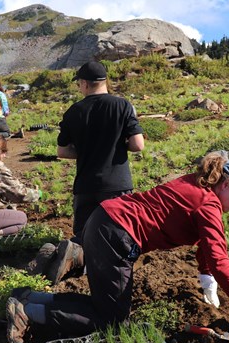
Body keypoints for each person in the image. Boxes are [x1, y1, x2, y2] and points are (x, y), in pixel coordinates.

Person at [5, 153, 229, 343]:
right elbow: (218, 257)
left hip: (104, 219)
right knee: (110, 319)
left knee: (104, 305)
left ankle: (30, 298)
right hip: (117, 236)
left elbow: (207, 246)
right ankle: (30, 313)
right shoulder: (209, 204)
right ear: (227, 185)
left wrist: (206, 281)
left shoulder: (196, 185)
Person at [30, 60, 145, 284]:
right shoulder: (122, 106)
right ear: (104, 82)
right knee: (119, 232)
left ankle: (79, 267)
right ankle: (114, 272)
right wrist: (118, 147)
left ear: (84, 84)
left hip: (85, 185)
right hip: (117, 183)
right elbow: (138, 145)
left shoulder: (74, 111)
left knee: (83, 234)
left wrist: (84, 152)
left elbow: (62, 151)